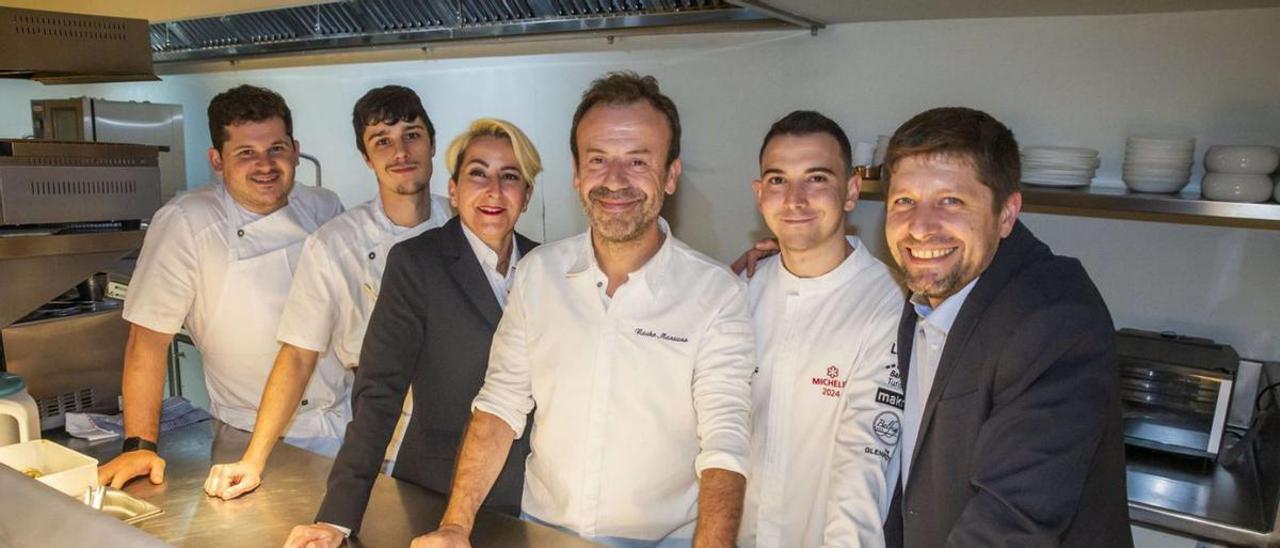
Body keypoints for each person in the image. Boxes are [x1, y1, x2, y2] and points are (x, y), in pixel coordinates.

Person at [416, 72, 754, 547]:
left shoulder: (716, 294)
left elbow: (724, 446)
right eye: (598, 160)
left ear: (671, 175)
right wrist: (455, 525)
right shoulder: (538, 274)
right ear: (576, 174)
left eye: (638, 161)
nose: (614, 180)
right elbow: (498, 407)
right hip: (542, 533)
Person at [280, 118, 543, 548]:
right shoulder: (418, 263)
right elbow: (378, 393)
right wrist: (337, 518)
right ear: (454, 190)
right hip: (436, 491)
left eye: (510, 177)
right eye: (478, 173)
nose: (494, 191)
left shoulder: (544, 267)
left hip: (531, 495)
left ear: (526, 195)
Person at [880, 107, 1131, 547]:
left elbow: (1013, 522)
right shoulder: (931, 290)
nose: (920, 227)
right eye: (904, 201)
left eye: (950, 201)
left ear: (1006, 213)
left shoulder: (1053, 319)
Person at [201, 85, 454, 499]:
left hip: (465, 428)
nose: (401, 152)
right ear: (366, 157)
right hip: (388, 441)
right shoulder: (335, 244)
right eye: (382, 142)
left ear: (432, 142)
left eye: (412, 134)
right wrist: (253, 458)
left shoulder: (465, 224)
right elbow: (299, 354)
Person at [97, 85, 345, 489]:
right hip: (250, 439)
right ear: (217, 160)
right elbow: (147, 341)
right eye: (246, 152)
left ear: (296, 150)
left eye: (277, 148)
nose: (265, 164)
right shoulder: (186, 222)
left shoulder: (325, 206)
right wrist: (139, 445)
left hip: (345, 424)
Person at [739, 111, 903, 548]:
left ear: (851, 191)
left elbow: (864, 465)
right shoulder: (737, 293)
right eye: (777, 180)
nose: (794, 199)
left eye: (816, 178)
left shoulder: (891, 303)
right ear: (759, 194)